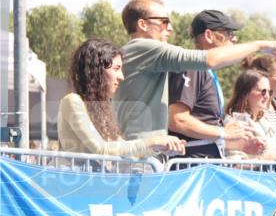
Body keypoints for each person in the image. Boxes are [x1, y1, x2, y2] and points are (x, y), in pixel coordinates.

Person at [113, 0, 276, 139]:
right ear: (142, 24)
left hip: (141, 152)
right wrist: (261, 44)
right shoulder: (145, 47)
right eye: (164, 22)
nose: (171, 29)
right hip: (140, 157)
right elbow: (210, 60)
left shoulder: (140, 52)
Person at [58, 39, 186, 158]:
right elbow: (102, 149)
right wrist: (153, 141)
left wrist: (158, 147)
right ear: (95, 70)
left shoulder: (100, 108)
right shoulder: (72, 101)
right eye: (116, 69)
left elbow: (121, 148)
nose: (121, 77)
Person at [167, 9, 260, 158]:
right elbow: (177, 120)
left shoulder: (206, 72)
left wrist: (241, 146)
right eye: (229, 33)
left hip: (204, 165)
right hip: (191, 170)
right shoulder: (192, 67)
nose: (234, 39)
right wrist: (224, 132)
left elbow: (205, 129)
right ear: (209, 36)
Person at [222, 70, 276, 162]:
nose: (267, 96)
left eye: (269, 92)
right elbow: (235, 165)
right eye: (263, 91)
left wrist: (272, 144)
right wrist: (265, 159)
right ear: (245, 94)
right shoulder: (235, 124)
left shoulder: (264, 122)